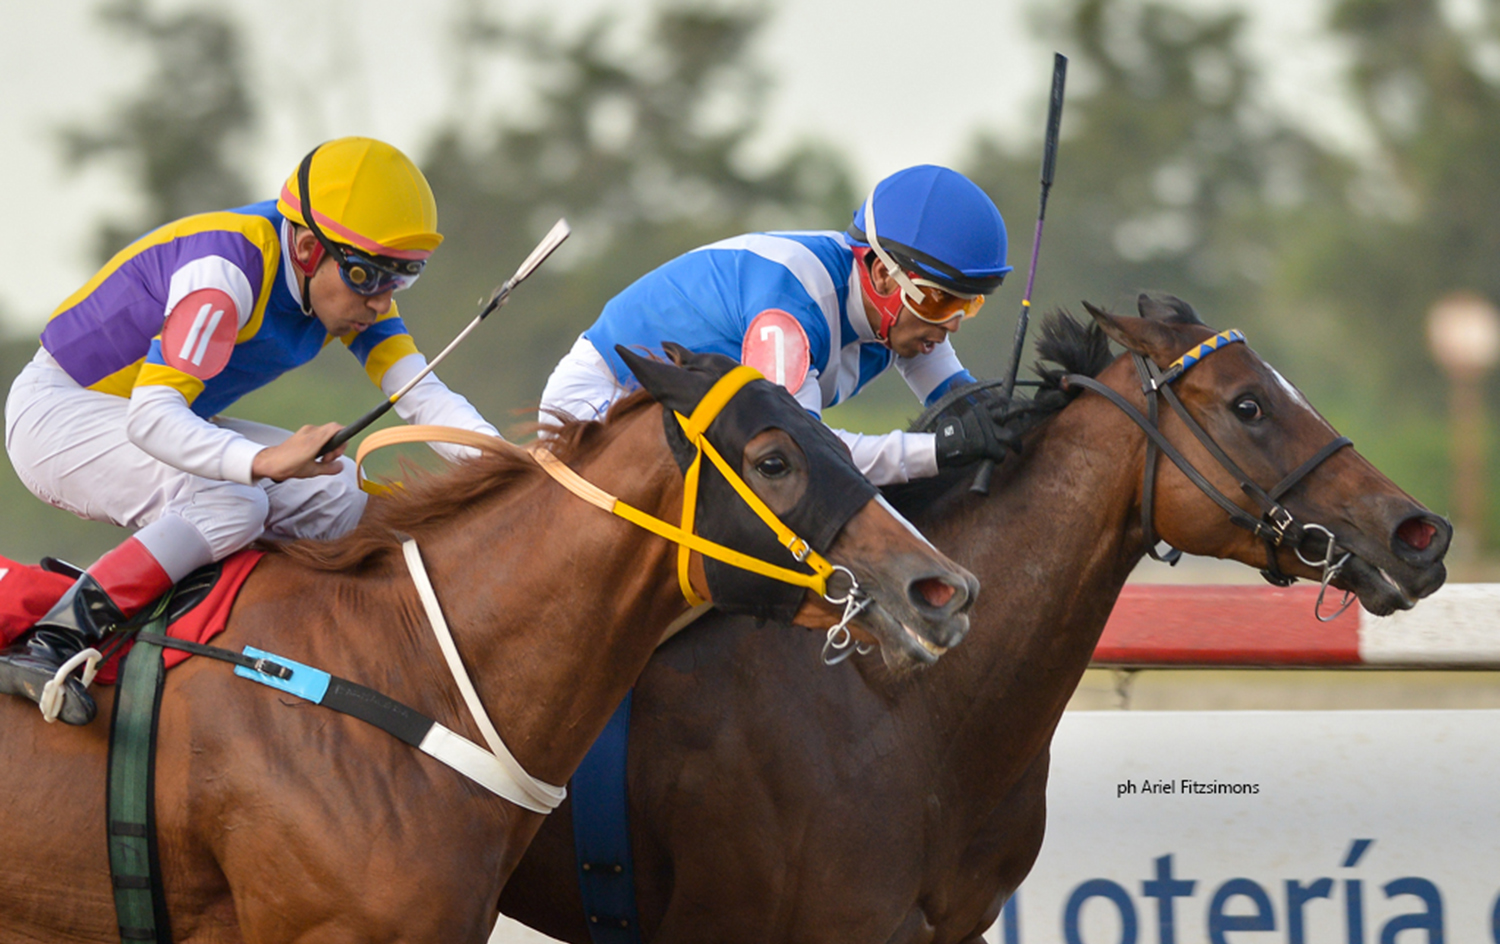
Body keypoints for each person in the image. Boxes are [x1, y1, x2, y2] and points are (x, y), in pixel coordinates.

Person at [2, 137, 498, 720]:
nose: (379, 301)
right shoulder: (224, 275)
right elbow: (152, 417)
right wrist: (264, 463)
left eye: (400, 279)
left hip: (158, 416)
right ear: (308, 248)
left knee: (342, 494)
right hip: (60, 415)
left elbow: (424, 397)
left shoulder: (346, 282)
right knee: (234, 502)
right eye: (368, 277)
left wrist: (519, 472)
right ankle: (54, 639)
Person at [538, 163, 1017, 486]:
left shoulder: (903, 314)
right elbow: (806, 457)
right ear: (882, 276)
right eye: (940, 301)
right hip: (601, 403)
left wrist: (1019, 421)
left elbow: (962, 404)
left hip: (684, 422)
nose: (952, 324)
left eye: (967, 306)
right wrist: (938, 450)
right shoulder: (790, 306)